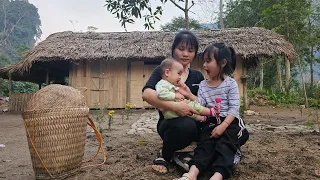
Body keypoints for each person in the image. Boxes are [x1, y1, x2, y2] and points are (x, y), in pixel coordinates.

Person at [176, 43, 247, 180]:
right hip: (211, 122)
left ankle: (218, 175)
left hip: (230, 122)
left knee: (225, 143)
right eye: (204, 61)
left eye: (208, 61)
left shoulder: (230, 84)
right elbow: (201, 106)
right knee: (205, 145)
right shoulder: (203, 85)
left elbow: (234, 109)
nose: (204, 65)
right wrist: (188, 102)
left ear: (223, 63)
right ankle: (191, 174)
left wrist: (223, 125)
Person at [142, 30, 205, 175]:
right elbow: (147, 93)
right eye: (181, 49)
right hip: (170, 123)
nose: (185, 54)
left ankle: (192, 154)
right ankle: (165, 155)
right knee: (186, 126)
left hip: (195, 120)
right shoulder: (164, 70)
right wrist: (176, 106)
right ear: (173, 49)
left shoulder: (197, 76)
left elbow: (203, 101)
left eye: (190, 50)